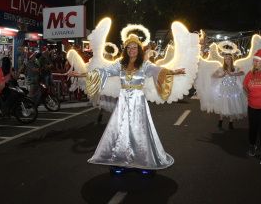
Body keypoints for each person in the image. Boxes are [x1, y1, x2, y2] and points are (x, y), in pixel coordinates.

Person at [68, 37, 185, 171]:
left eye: (134, 47)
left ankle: (143, 160)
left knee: (139, 130)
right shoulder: (120, 64)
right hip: (123, 101)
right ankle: (120, 158)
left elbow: (157, 70)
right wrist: (81, 74)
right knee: (121, 130)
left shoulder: (144, 65)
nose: (131, 50)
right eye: (129, 47)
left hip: (138, 101)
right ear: (125, 50)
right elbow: (103, 71)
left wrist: (173, 72)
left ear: (139, 50)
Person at [212, 54, 247, 129]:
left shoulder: (236, 68)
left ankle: (230, 123)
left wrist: (232, 74)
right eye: (225, 59)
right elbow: (213, 75)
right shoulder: (221, 68)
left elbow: (242, 72)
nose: (227, 61)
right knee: (224, 104)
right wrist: (220, 76)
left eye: (228, 59)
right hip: (224, 89)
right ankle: (220, 122)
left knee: (232, 104)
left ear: (231, 60)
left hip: (233, 89)